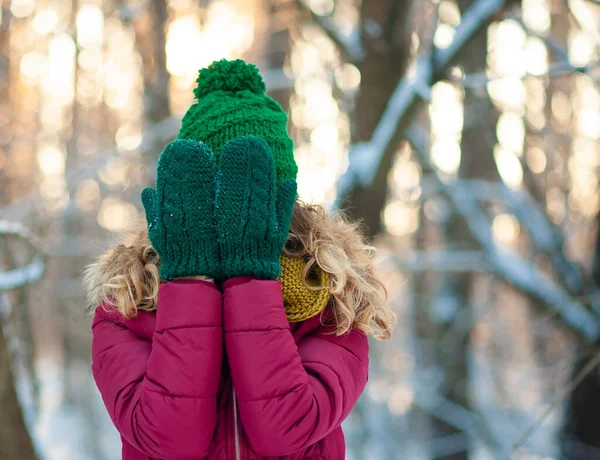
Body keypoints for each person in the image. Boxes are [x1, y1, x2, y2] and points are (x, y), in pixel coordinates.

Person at [84, 59, 395, 460]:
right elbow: (169, 439)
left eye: (248, 191)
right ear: (186, 195)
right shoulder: (128, 300)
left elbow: (285, 428)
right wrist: (189, 278)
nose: (233, 210)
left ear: (284, 202)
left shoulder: (334, 299)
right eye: (217, 193)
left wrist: (251, 278)